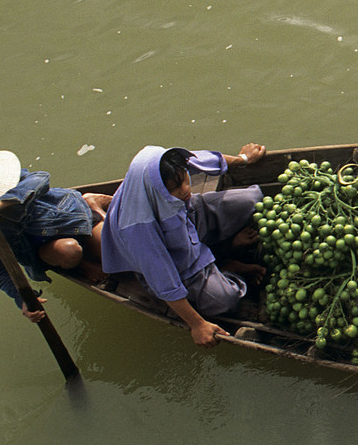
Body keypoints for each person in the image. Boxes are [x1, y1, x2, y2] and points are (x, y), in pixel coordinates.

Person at [99, 144, 269, 347]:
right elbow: (163, 280)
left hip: (185, 218)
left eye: (184, 180)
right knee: (225, 299)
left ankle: (218, 254)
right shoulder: (138, 227)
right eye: (174, 189)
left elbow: (204, 160)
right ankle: (224, 264)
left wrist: (244, 159)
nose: (186, 190)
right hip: (176, 260)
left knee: (252, 199)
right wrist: (197, 324)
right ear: (159, 191)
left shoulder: (161, 162)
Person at [0, 150, 112, 323]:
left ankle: (92, 203)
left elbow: (41, 178)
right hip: (41, 249)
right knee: (70, 252)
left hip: (67, 217)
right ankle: (79, 264)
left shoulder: (4, 181)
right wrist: (22, 299)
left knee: (113, 250)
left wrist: (0, 205)